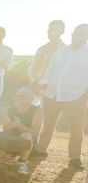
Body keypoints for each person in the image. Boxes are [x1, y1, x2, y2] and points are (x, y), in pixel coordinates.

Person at [35, 24, 88, 169]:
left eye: (82, 34)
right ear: (72, 35)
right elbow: (51, 68)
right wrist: (44, 83)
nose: (77, 36)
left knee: (76, 129)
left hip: (76, 96)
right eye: (76, 33)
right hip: (52, 93)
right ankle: (41, 150)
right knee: (47, 125)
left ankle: (75, 158)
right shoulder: (61, 51)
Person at [0, 87, 42, 174]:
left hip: (29, 144)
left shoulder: (37, 111)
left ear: (31, 99)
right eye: (17, 96)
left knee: (26, 135)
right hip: (13, 140)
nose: (18, 98)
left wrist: (18, 125)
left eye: (22, 96)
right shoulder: (9, 111)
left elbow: (34, 132)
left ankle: (22, 161)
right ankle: (11, 155)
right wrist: (9, 126)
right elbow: (6, 132)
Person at [30, 20, 65, 104]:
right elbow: (32, 67)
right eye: (49, 30)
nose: (50, 32)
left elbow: (61, 72)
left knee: (46, 116)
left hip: (51, 90)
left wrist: (45, 85)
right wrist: (33, 81)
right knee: (32, 114)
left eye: (55, 30)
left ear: (62, 32)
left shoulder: (65, 50)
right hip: (35, 87)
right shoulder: (41, 49)